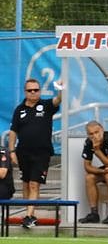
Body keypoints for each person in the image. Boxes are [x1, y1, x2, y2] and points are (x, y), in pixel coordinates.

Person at [8, 78, 63, 228]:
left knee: (34, 183)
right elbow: (13, 131)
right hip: (23, 152)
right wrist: (12, 151)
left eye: (36, 90)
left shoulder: (46, 105)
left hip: (42, 153)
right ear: (25, 92)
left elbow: (58, 100)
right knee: (26, 183)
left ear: (40, 91)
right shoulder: (19, 109)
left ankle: (28, 215)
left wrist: (60, 88)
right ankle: (30, 214)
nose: (33, 92)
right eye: (30, 90)